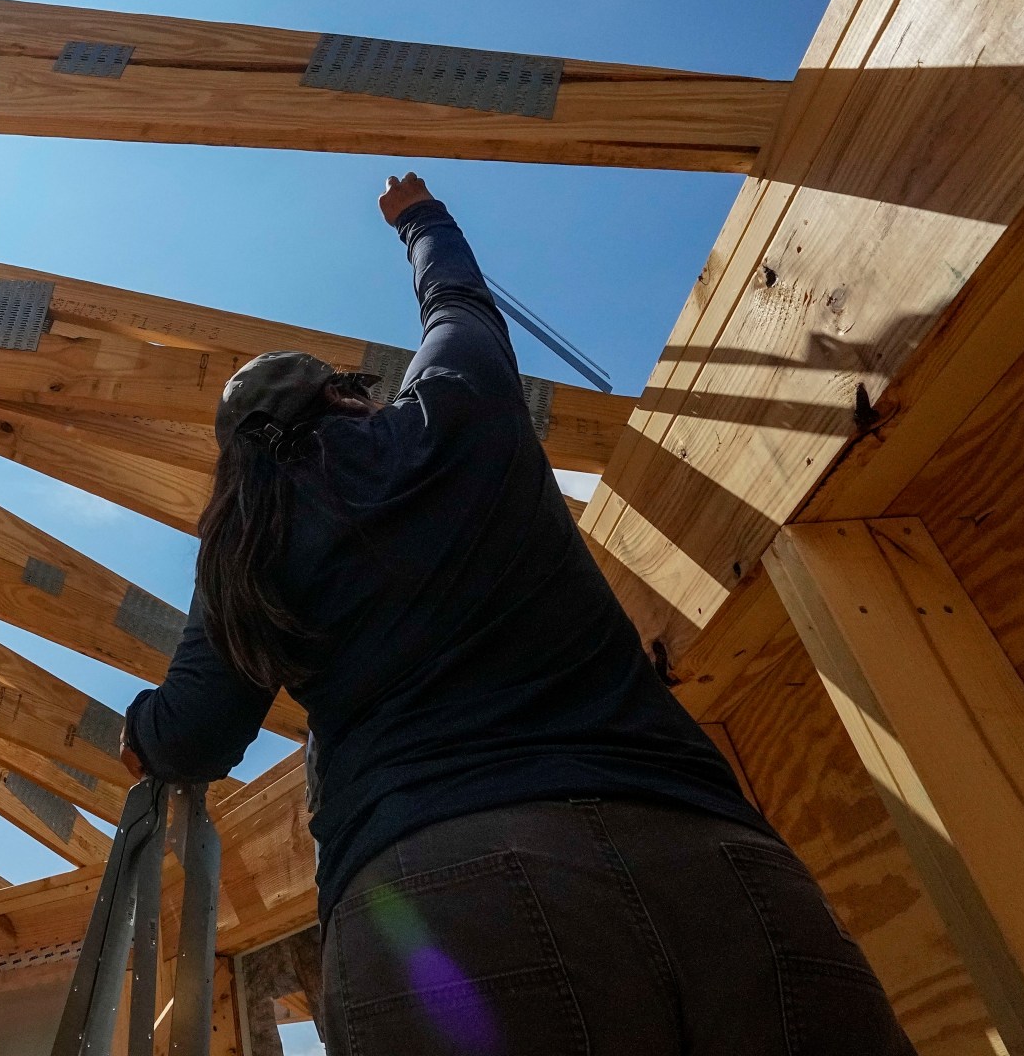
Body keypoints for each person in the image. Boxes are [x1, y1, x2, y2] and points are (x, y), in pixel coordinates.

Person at [121, 174, 916, 1056]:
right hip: (709, 857)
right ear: (350, 393)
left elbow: (195, 733)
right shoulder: (460, 412)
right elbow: (456, 303)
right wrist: (418, 215)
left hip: (444, 891)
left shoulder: (247, 541)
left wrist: (141, 737)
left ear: (237, 460)